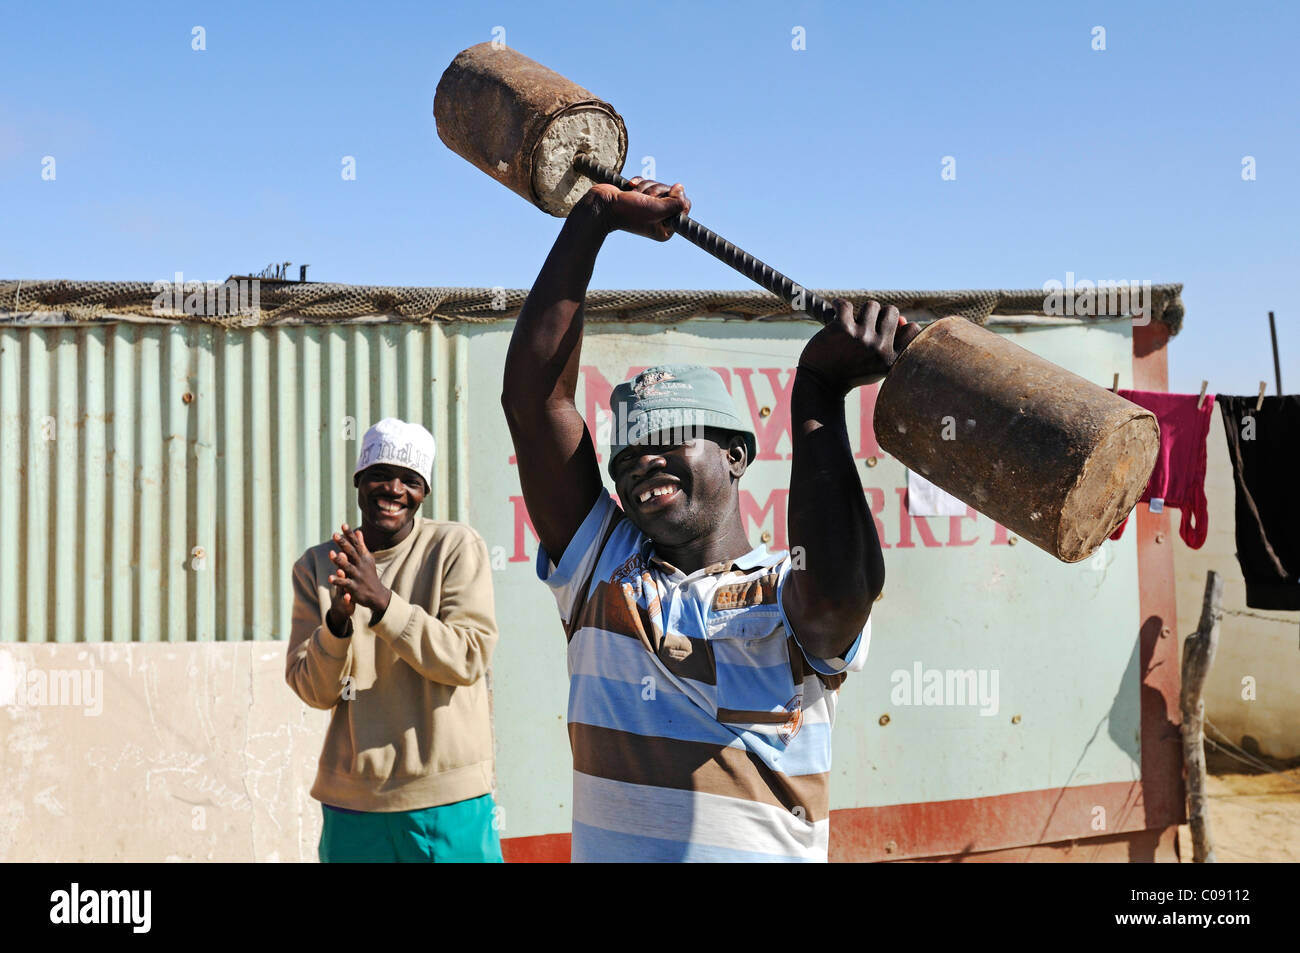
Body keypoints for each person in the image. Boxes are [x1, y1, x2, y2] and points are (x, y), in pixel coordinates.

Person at [501, 176, 919, 862]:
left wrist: (818, 392)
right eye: (628, 452)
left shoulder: (790, 591)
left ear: (735, 455)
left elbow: (843, 597)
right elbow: (532, 398)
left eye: (672, 437)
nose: (644, 460)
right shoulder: (602, 571)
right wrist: (595, 217)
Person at [285, 417, 503, 862]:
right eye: (380, 476)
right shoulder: (317, 566)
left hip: (447, 799)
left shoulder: (455, 547)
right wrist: (339, 623)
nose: (394, 490)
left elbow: (467, 657)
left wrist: (382, 602)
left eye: (410, 480)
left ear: (424, 491)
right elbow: (315, 691)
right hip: (354, 806)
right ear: (358, 481)